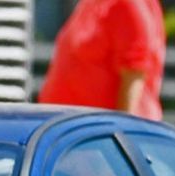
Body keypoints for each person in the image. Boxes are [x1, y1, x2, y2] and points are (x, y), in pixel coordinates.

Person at [37, 0, 166, 119]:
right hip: (71, 133)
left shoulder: (129, 4)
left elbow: (134, 75)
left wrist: (118, 138)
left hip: (99, 138)